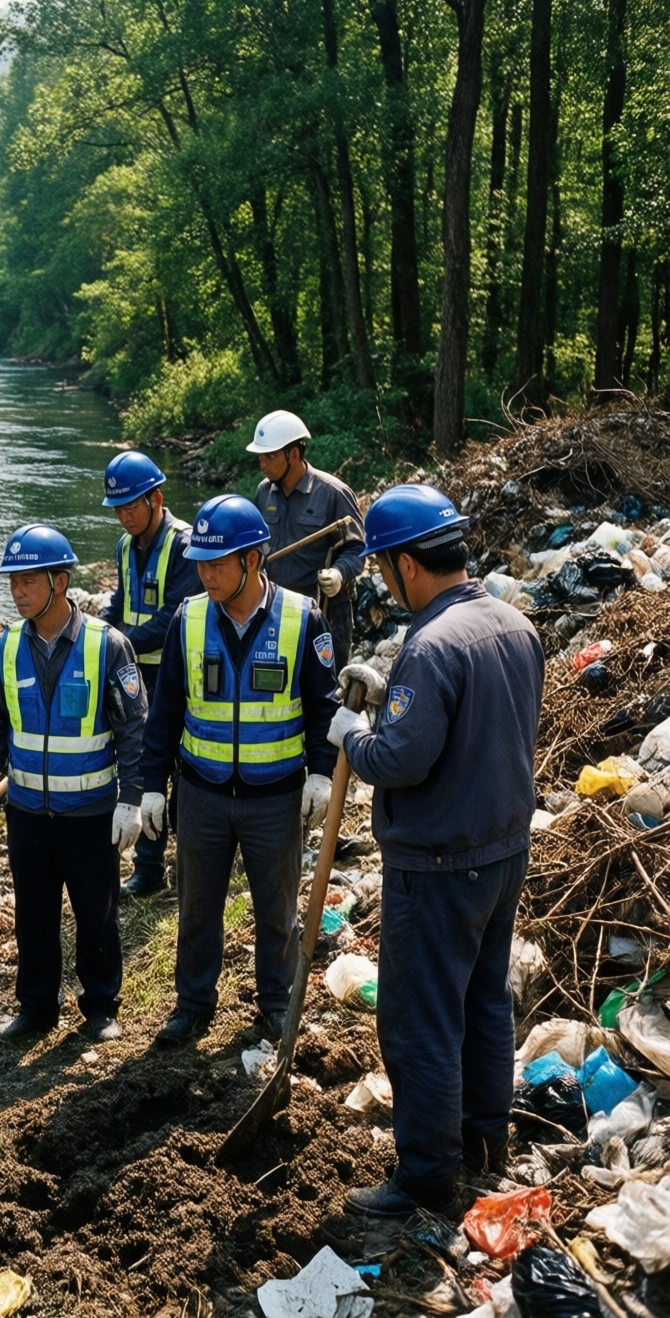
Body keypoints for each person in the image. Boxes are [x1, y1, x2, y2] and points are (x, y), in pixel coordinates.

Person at [329, 485, 544, 1220]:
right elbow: (466, 724)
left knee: (420, 1018)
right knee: (484, 1001)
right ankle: (484, 1143)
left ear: (408, 565)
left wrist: (352, 737)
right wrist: (387, 699)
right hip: (502, 850)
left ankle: (425, 1176)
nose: (385, 582)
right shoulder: (514, 623)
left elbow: (402, 760)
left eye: (384, 568)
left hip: (439, 864)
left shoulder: (432, 644)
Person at [139, 495, 340, 1047]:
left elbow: (324, 706)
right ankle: (193, 1004)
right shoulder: (189, 619)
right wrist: (151, 785)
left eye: (216, 564)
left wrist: (321, 774)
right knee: (196, 908)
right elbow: (165, 711)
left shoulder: (302, 618)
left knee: (277, 910)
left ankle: (275, 1003)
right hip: (201, 793)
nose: (205, 574)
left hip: (275, 797)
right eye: (200, 564)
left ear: (252, 560)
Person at [0, 524, 147, 1045]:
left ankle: (101, 1007)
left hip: (90, 813)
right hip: (27, 813)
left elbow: (134, 729)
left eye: (28, 581)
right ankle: (37, 1008)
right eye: (12, 582)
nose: (17, 592)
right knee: (34, 916)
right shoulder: (5, 648)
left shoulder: (107, 646)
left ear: (59, 582)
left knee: (97, 915)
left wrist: (132, 799)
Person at [96, 451, 200, 897]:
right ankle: (150, 866)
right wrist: (98, 631)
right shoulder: (126, 545)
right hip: (135, 672)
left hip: (174, 673)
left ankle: (190, 858)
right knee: (143, 761)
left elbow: (173, 616)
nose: (124, 517)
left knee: (178, 765)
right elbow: (121, 600)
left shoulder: (184, 544)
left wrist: (117, 645)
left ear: (155, 498)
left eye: (130, 507)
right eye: (118, 509)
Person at [248, 410, 365, 670]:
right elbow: (256, 547)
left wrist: (339, 573)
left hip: (326, 614)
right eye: (260, 457)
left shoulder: (334, 493)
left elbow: (357, 549)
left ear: (293, 454)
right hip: (276, 611)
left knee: (327, 683)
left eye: (270, 456)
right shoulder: (264, 493)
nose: (263, 464)